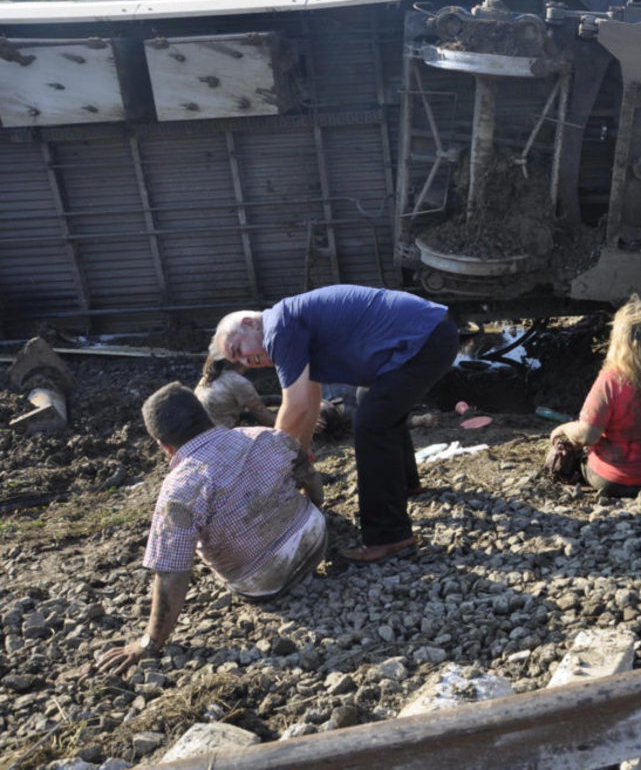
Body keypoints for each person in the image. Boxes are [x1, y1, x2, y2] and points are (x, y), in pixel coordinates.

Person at [210, 284, 458, 563]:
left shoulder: (279, 327)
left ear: (249, 323)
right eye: (238, 360)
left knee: (371, 422)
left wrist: (273, 466)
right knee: (373, 402)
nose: (247, 360)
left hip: (427, 338)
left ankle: (390, 536)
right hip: (432, 332)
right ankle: (405, 485)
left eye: (239, 349)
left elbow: (295, 404)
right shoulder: (287, 324)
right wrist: (298, 460)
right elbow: (311, 401)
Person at [96, 382, 325, 675]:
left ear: (164, 446)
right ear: (206, 415)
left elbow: (171, 572)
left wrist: (150, 642)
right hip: (316, 539)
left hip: (265, 583)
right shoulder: (266, 436)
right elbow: (310, 477)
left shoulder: (180, 489)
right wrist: (317, 508)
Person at [549, 296, 641, 496]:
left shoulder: (611, 380)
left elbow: (588, 435)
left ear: (618, 337)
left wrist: (563, 429)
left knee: (567, 453)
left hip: (621, 479)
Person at [195, 354, 275, 429]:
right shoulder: (237, 382)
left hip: (199, 432)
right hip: (220, 434)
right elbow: (261, 413)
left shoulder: (207, 378)